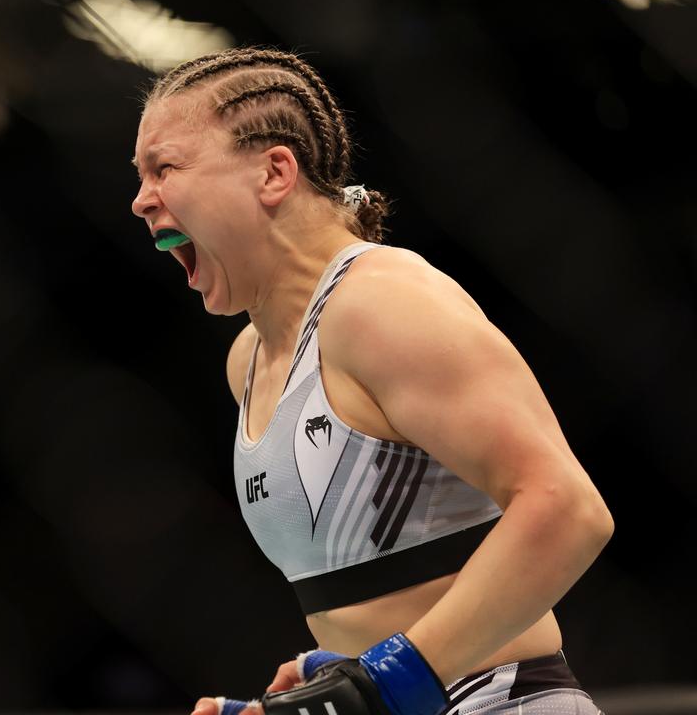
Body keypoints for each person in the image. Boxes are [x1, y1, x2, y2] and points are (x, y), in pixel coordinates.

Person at [129, 46, 613, 715]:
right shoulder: (248, 358)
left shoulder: (381, 303)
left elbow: (567, 508)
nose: (139, 200)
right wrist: (333, 677)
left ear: (273, 172)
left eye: (165, 168)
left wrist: (377, 685)